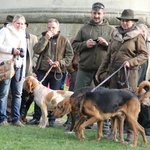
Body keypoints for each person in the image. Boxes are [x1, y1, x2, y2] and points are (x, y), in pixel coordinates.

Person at [95, 9, 148, 141]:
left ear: (132, 22)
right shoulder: (115, 33)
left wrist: (131, 62)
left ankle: (130, 132)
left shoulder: (137, 36)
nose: (124, 23)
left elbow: (144, 55)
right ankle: (113, 132)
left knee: (129, 103)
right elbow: (108, 55)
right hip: (113, 72)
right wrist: (100, 71)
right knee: (113, 102)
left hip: (129, 73)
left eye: (127, 21)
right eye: (123, 20)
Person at [72, 2, 114, 132]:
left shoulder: (111, 30)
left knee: (105, 97)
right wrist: (85, 44)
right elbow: (74, 46)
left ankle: (105, 126)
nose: (96, 16)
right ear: (91, 13)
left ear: (103, 14)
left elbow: (116, 49)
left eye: (99, 14)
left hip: (102, 70)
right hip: (84, 68)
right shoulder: (84, 29)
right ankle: (75, 124)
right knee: (78, 95)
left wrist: (107, 44)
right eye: (94, 13)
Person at [27, 18, 74, 127]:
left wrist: (60, 62)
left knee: (56, 97)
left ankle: (52, 118)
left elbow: (70, 55)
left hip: (57, 72)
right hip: (43, 71)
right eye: (49, 27)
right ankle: (36, 117)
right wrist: (45, 39)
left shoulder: (64, 40)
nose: (51, 29)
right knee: (39, 96)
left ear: (58, 28)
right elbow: (37, 50)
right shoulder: (43, 38)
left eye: (53, 27)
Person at [0, 14, 27, 126]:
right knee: (4, 93)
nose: (19, 26)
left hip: (19, 66)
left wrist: (23, 72)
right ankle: (3, 118)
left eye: (21, 24)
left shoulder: (23, 34)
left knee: (17, 94)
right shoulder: (5, 31)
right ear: (13, 23)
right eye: (17, 23)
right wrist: (12, 50)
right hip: (7, 65)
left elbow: (23, 55)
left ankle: (16, 118)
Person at [20, 21, 38, 123]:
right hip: (17, 71)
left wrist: (33, 66)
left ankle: (24, 115)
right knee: (18, 96)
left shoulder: (33, 38)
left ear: (26, 25)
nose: (21, 26)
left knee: (29, 97)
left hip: (29, 72)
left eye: (23, 24)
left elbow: (37, 54)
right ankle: (16, 115)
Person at [137, 23, 150, 136]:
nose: (142, 34)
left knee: (146, 103)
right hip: (136, 77)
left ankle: (147, 126)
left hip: (147, 77)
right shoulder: (134, 43)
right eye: (139, 32)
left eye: (144, 32)